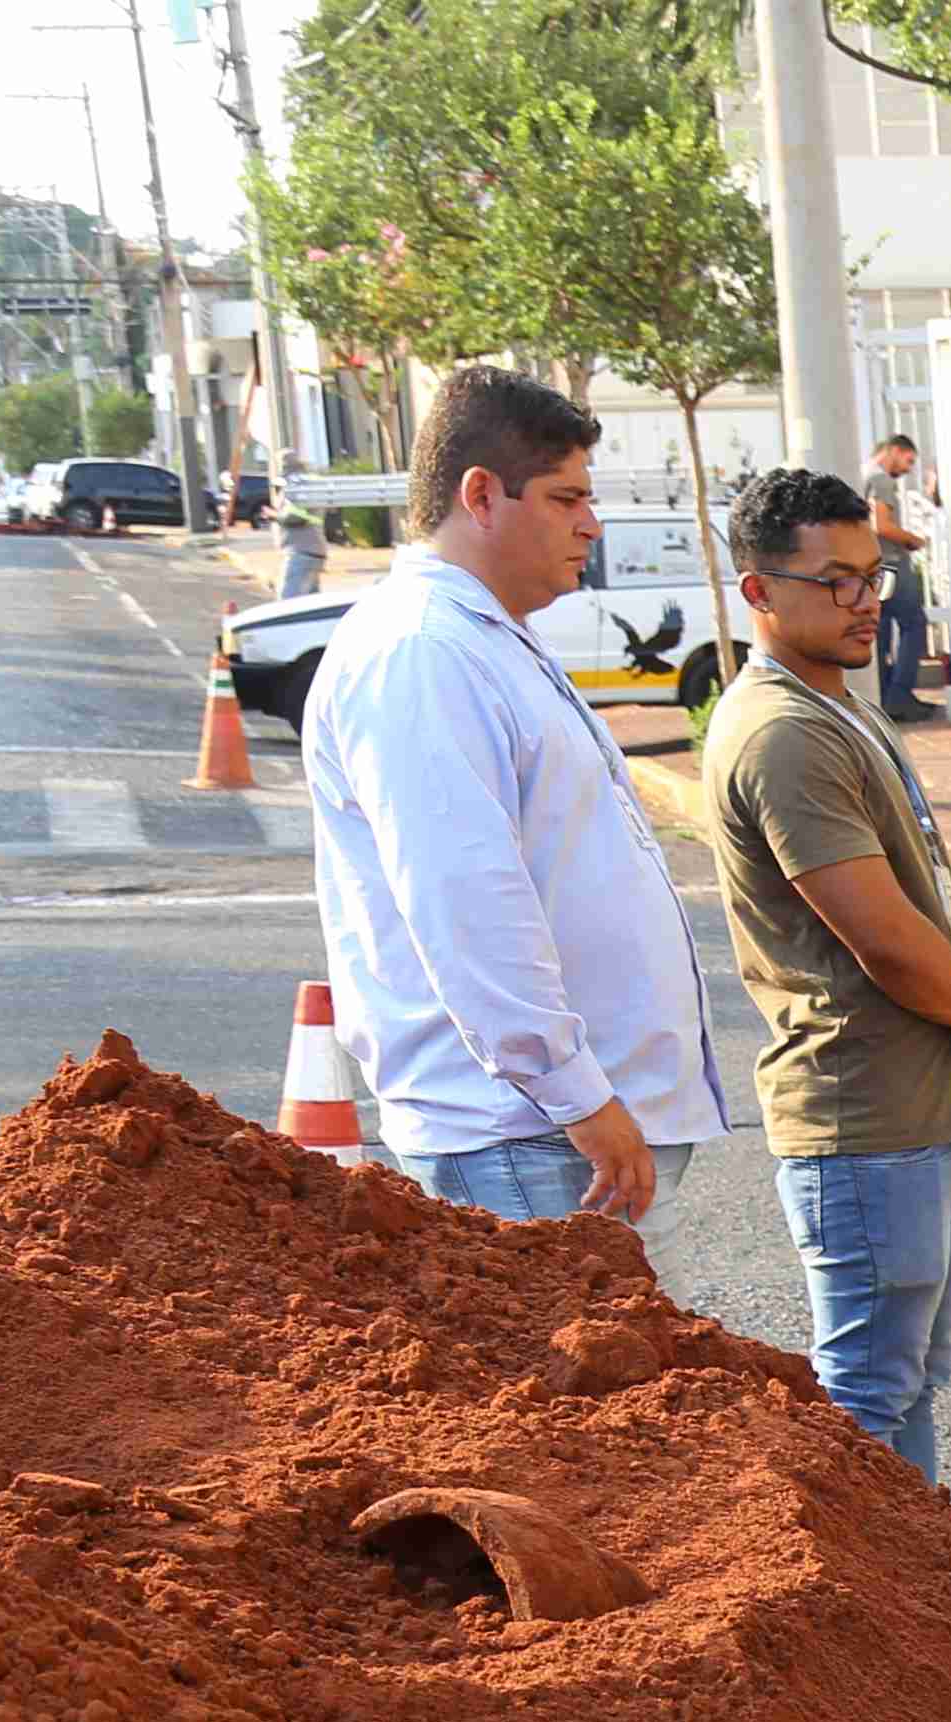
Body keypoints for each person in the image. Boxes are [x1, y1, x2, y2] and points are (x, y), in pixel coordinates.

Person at [300, 365, 736, 1227]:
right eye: (565, 498)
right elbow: (466, 903)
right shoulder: (422, 653)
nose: (591, 525)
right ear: (481, 495)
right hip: (526, 1137)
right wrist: (574, 1096)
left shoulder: (487, 639)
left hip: (557, 1130)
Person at [699, 466, 951, 1481]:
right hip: (865, 1112)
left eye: (872, 576)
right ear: (759, 592)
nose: (862, 603)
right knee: (865, 1404)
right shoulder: (783, 733)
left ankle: (922, 1612)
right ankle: (858, 1623)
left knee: (914, 1379)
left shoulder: (842, 707)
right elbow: (880, 936)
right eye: (834, 581)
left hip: (924, 1107)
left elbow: (924, 874)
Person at [860, 431, 937, 727]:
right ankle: (900, 697)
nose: (908, 469)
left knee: (879, 634)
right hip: (890, 563)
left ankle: (884, 698)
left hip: (872, 567)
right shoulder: (881, 479)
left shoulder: (862, 473)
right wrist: (914, 540)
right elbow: (882, 525)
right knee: (913, 624)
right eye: (908, 460)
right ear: (893, 451)